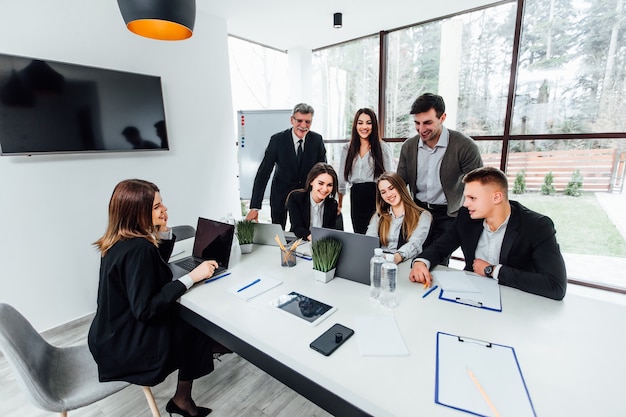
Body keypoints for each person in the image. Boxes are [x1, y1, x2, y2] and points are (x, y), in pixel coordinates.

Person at [88, 179, 219, 417]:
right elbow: (145, 309)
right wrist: (191, 278)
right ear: (137, 212)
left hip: (108, 336)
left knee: (189, 327)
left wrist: (163, 233)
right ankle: (182, 400)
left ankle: (189, 387)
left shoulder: (119, 241)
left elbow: (154, 268)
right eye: (157, 206)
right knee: (196, 329)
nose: (165, 209)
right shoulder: (139, 249)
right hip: (125, 347)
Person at [409, 167, 567, 300]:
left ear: (496, 197)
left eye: (472, 198)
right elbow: (441, 246)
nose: (465, 203)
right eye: (465, 197)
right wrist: (421, 262)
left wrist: (492, 270)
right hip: (471, 296)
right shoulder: (466, 216)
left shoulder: (537, 226)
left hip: (515, 302)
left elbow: (555, 286)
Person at [397, 93, 482, 263]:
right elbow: (400, 182)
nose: (421, 129)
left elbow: (479, 186)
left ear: (442, 117)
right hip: (418, 210)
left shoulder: (465, 146)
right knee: (411, 256)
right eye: (417, 123)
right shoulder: (409, 146)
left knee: (437, 261)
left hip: (448, 214)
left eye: (428, 122)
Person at [245, 103, 327, 228]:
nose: (303, 126)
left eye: (308, 121)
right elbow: (263, 173)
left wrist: (324, 199)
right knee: (278, 235)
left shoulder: (317, 140)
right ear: (292, 120)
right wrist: (255, 207)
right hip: (280, 196)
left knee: (301, 236)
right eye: (299, 120)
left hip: (304, 197)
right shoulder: (277, 140)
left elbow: (323, 173)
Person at [338, 108, 394, 234]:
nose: (364, 127)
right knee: (360, 235)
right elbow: (341, 179)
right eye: (360, 123)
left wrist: (390, 205)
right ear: (355, 125)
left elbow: (390, 178)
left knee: (378, 236)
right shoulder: (347, 149)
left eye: (368, 123)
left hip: (377, 198)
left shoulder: (383, 148)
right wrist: (340, 204)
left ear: (374, 125)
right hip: (356, 197)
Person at [366, 172, 432, 264]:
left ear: (400, 187)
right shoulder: (378, 216)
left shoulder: (423, 215)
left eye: (391, 188)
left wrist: (395, 258)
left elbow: (415, 244)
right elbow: (369, 241)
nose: (388, 195)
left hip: (405, 262)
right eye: (383, 192)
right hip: (379, 261)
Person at [286, 162, 342, 241]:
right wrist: (313, 238)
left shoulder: (332, 204)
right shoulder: (296, 198)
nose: (325, 189)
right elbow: (297, 227)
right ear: (311, 181)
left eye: (329, 185)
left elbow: (330, 232)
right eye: (320, 183)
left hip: (322, 247)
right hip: (299, 242)